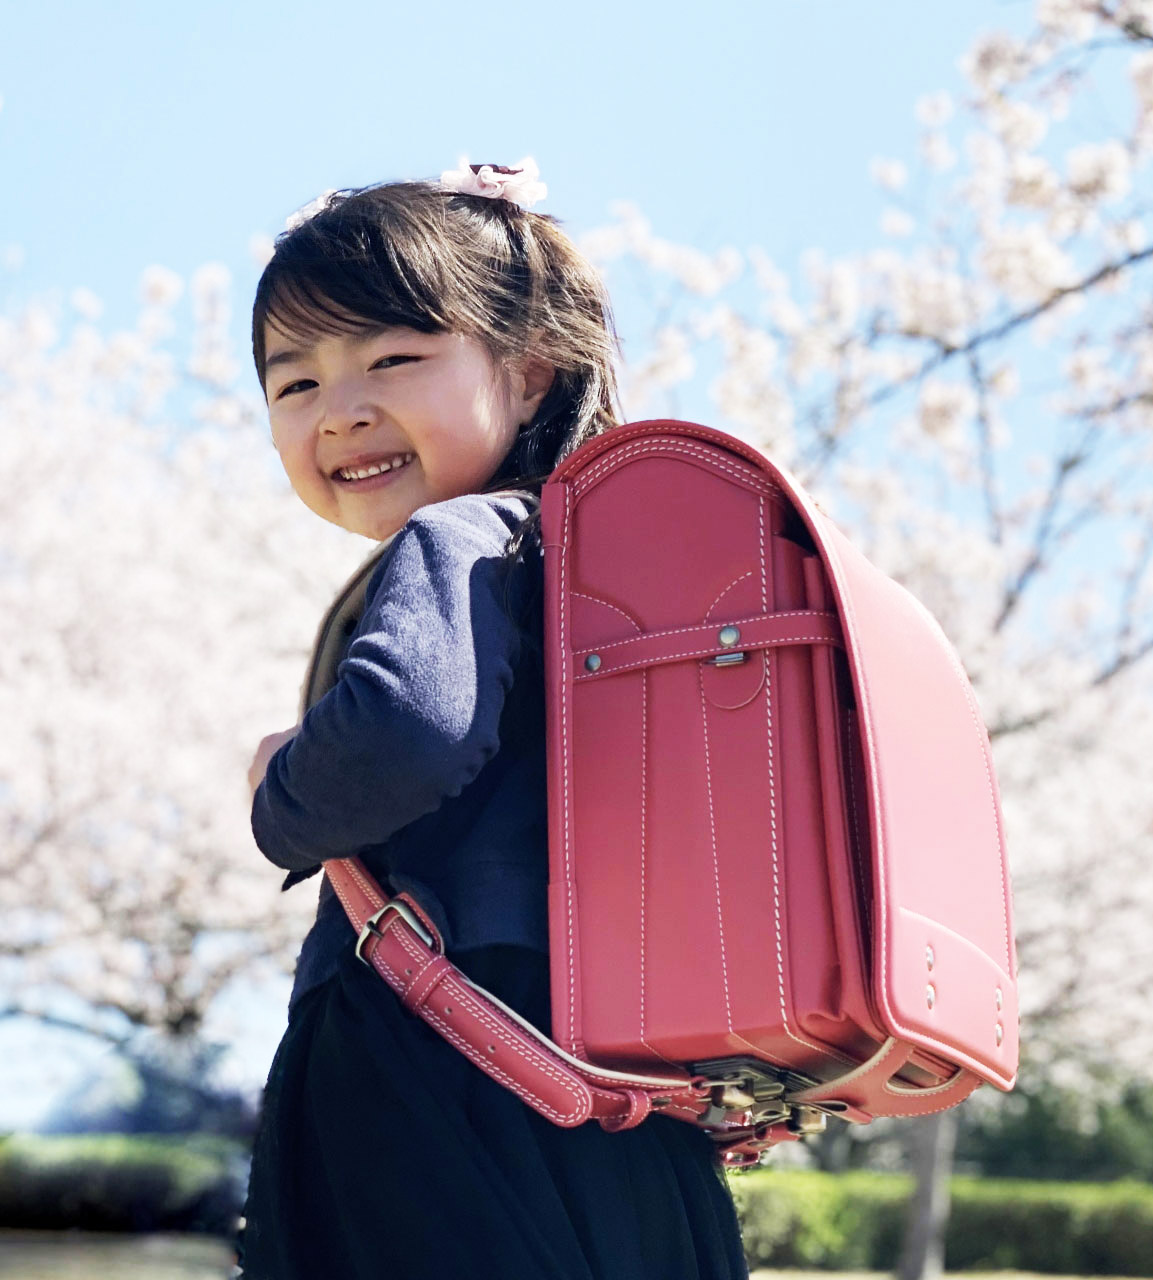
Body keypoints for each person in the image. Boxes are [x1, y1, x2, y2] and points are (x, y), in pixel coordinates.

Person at [235, 161, 749, 1280]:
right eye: (295, 383)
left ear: (528, 374)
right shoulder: (589, 576)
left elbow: (407, 728)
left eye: (393, 360)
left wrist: (281, 795)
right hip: (610, 1095)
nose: (343, 409)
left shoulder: (463, 536)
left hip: (430, 1080)